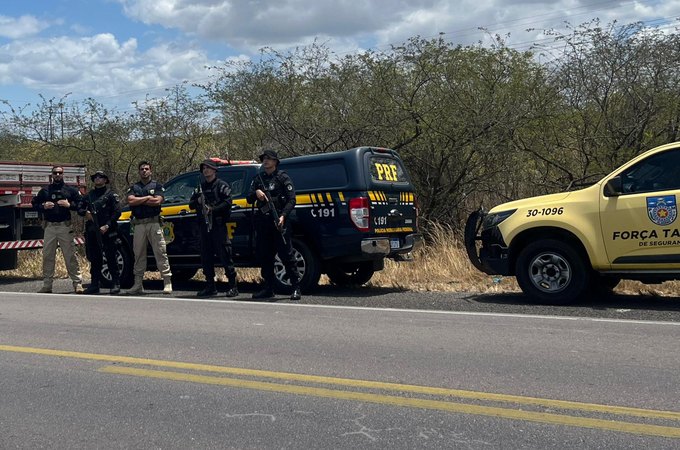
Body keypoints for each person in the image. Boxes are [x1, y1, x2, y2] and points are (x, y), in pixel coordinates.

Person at [246, 150, 302, 301]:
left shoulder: (282, 177)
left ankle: (295, 287)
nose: (266, 161)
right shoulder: (258, 178)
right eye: (264, 158)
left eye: (269, 159)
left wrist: (283, 215)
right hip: (263, 223)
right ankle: (268, 288)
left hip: (279, 222)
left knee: (286, 255)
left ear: (275, 162)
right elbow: (249, 198)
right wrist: (256, 192)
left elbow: (292, 200)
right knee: (265, 256)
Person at [189, 159, 239, 298]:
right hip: (204, 227)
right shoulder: (200, 188)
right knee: (206, 257)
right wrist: (198, 201)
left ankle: (232, 286)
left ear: (214, 170)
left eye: (209, 168)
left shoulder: (221, 185)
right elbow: (191, 204)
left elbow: (228, 202)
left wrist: (213, 209)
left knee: (225, 255)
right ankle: (210, 286)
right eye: (204, 168)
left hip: (218, 226)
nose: (206, 170)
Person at [31, 166, 84, 294]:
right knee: (48, 256)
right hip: (49, 227)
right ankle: (47, 285)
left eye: (60, 173)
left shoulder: (70, 190)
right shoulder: (45, 191)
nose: (58, 175)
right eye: (55, 173)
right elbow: (34, 204)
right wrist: (43, 206)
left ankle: (77, 284)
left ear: (63, 174)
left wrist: (69, 205)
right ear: (52, 175)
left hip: (64, 227)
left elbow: (81, 204)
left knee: (70, 255)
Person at [125, 161, 172, 295]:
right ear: (139, 172)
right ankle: (138, 284)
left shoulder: (157, 185)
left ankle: (167, 281)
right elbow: (130, 201)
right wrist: (147, 198)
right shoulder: (134, 187)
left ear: (150, 171)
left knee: (160, 252)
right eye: (141, 169)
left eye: (146, 169)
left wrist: (140, 200)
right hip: (139, 224)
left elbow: (157, 201)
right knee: (138, 254)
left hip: (154, 223)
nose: (144, 171)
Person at [78, 171, 122, 295]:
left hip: (108, 230)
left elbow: (117, 212)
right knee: (95, 258)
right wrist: (85, 213)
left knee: (111, 257)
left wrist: (107, 225)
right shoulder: (89, 195)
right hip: (93, 231)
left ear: (105, 180)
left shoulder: (111, 195)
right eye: (96, 177)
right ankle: (94, 284)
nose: (98, 179)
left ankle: (115, 283)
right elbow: (79, 207)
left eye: (101, 177)